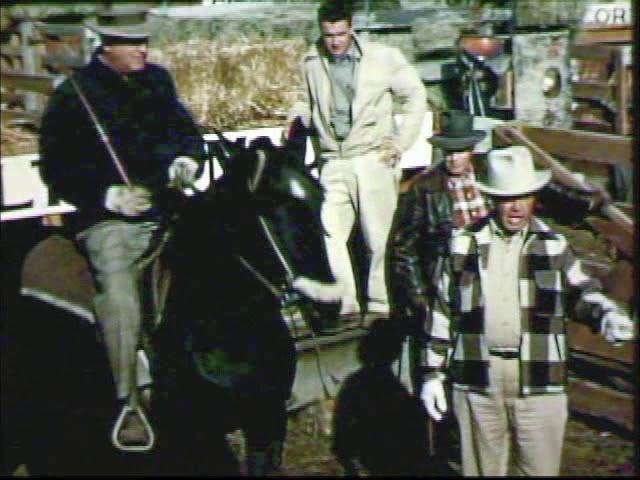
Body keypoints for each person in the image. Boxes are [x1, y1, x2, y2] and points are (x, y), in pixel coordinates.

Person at [39, 6, 206, 447]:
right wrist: (109, 196)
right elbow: (56, 168)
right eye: (133, 43)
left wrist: (186, 161)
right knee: (117, 290)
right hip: (110, 223)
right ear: (106, 46)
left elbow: (186, 132)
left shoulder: (158, 80)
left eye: (145, 41)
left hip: (167, 206)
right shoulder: (74, 95)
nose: (142, 49)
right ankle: (127, 402)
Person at [415, 145, 635, 476]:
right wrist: (432, 373)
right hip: (478, 380)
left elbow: (581, 291)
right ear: (492, 199)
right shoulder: (464, 245)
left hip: (539, 381)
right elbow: (443, 312)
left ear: (534, 198)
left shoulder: (552, 246)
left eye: (524, 196)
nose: (516, 206)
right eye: (507, 198)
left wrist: (606, 314)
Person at [286, 0, 427, 330]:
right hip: (333, 160)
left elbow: (415, 95)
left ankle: (380, 304)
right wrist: (296, 117)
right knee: (327, 231)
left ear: (351, 28)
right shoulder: (311, 62)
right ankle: (346, 303)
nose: (334, 41)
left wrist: (401, 141)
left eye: (340, 34)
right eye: (328, 35)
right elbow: (305, 100)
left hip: (372, 156)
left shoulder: (383, 58)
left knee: (378, 237)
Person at [387, 108, 487, 469]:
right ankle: (440, 458)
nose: (455, 157)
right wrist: (420, 300)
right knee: (438, 381)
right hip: (442, 293)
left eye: (461, 150)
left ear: (472, 150)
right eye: (449, 151)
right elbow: (402, 249)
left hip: (487, 292)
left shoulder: (490, 178)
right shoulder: (425, 190)